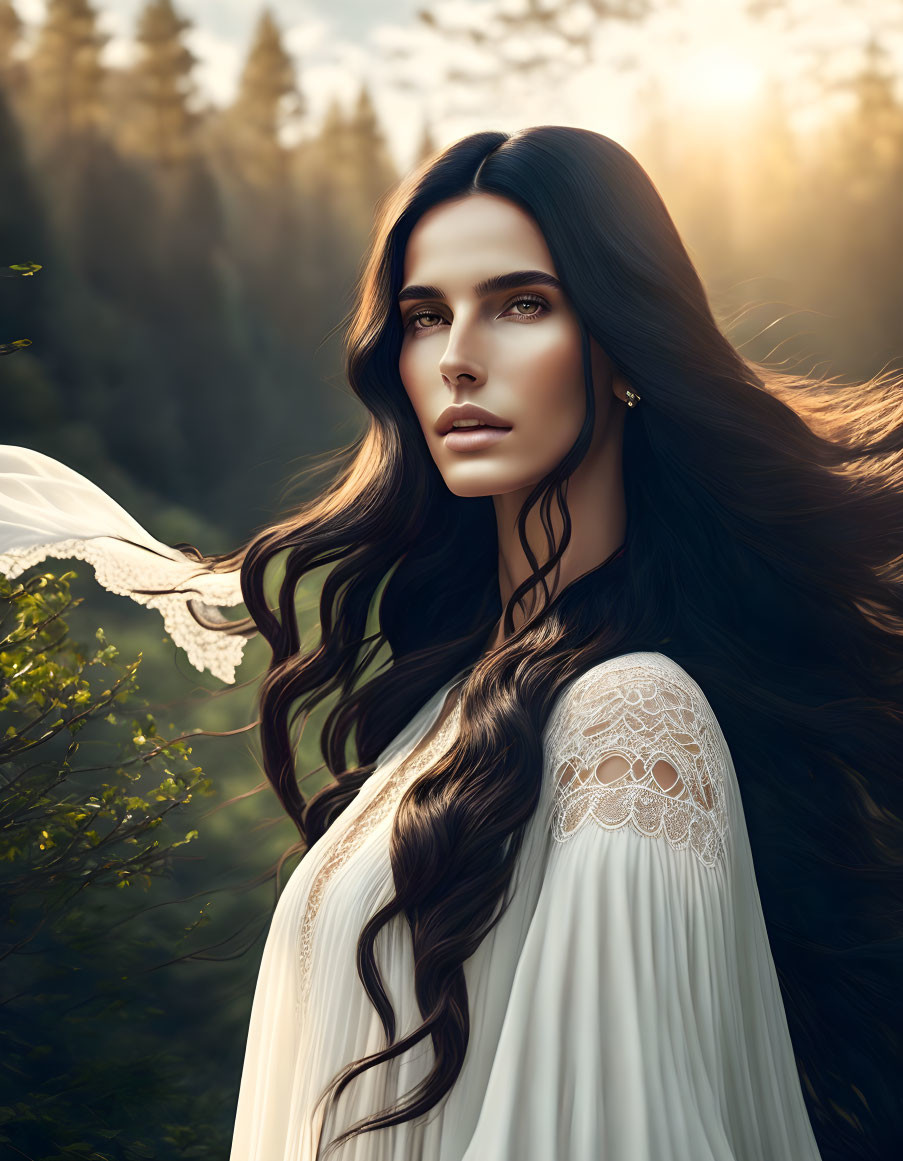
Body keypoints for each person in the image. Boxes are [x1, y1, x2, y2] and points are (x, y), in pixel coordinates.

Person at [1, 126, 901, 1161]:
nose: (459, 359)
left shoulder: (631, 717)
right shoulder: (452, 711)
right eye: (426, 317)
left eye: (522, 305)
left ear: (624, 348)